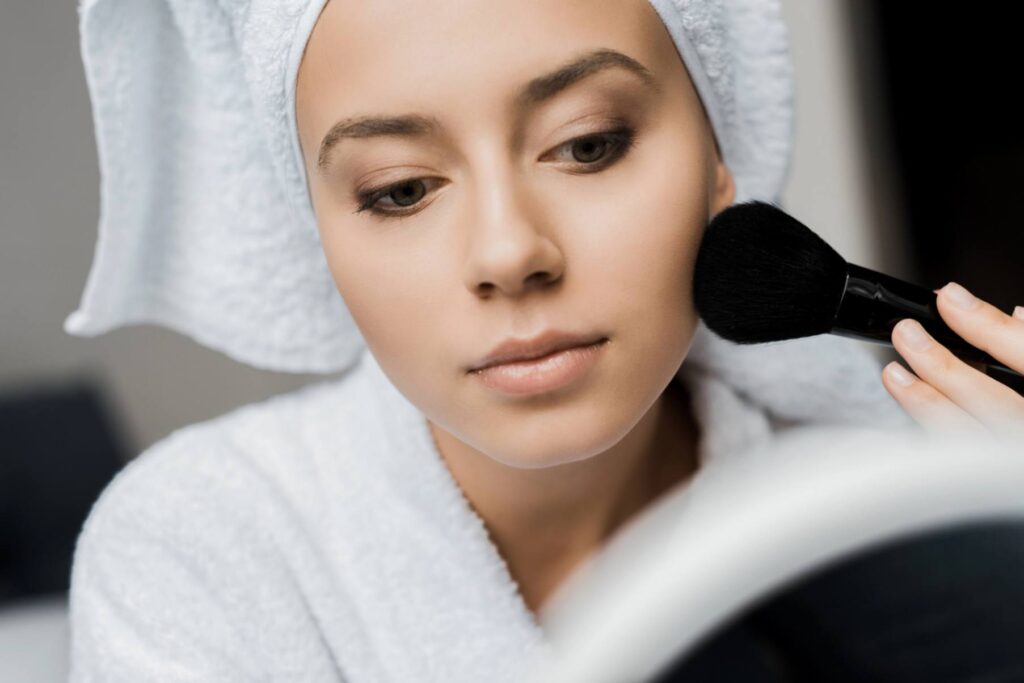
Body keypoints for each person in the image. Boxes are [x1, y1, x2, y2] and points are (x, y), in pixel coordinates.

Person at [63, 0, 1024, 681]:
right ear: (313, 227)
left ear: (718, 162)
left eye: (588, 143)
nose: (509, 251)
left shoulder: (896, 509)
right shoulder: (201, 554)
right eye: (399, 189)